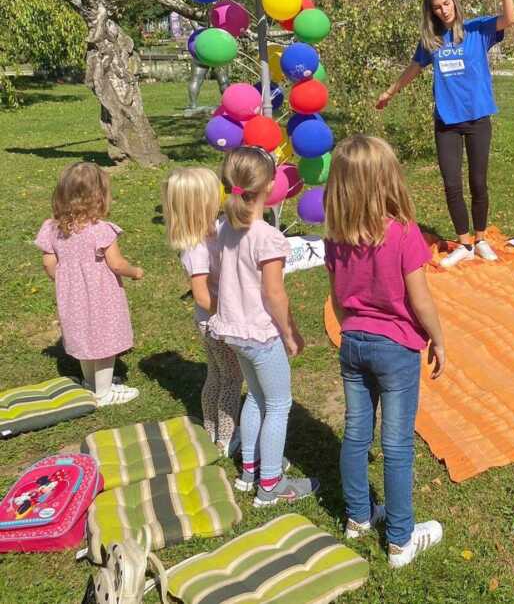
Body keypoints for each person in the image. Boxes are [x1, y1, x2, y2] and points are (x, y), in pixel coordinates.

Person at [323, 135, 447, 568]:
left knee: (357, 432)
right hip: (396, 349)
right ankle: (400, 539)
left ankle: (357, 517)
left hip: (353, 342)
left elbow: (337, 297)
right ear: (388, 181)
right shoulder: (404, 233)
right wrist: (438, 338)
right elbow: (421, 300)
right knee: (395, 445)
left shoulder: (335, 237)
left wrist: (349, 329)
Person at [375, 0, 514, 268]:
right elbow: (414, 67)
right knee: (451, 183)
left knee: (478, 182)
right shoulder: (432, 41)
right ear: (432, 12)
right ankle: (464, 243)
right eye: (437, 7)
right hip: (447, 123)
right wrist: (391, 91)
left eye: (446, 3)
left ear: (454, 0)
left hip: (478, 119)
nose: (443, 10)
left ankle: (480, 240)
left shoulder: (477, 29)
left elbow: (510, 18)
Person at [208, 146, 318, 507]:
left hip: (233, 331)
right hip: (260, 334)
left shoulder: (224, 228)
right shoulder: (267, 237)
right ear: (270, 186)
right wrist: (290, 332)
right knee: (279, 404)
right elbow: (274, 294)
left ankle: (249, 472)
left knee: (255, 397)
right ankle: (270, 486)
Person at [35, 162, 143, 406]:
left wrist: (62, 279)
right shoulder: (101, 230)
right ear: (99, 196)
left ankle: (91, 383)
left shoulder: (52, 228)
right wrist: (134, 271)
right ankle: (103, 394)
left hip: (72, 296)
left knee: (84, 337)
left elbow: (48, 262)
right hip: (101, 295)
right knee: (105, 341)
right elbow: (115, 264)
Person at [162, 167, 243, 457]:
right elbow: (200, 292)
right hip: (215, 322)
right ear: (201, 204)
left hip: (208, 322)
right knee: (232, 379)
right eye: (214, 195)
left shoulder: (210, 233)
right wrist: (226, 315)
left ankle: (211, 428)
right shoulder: (195, 249)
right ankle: (227, 438)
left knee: (217, 375)